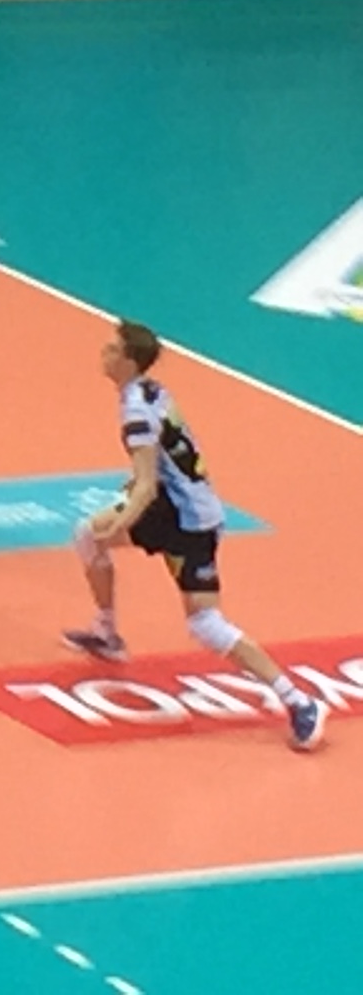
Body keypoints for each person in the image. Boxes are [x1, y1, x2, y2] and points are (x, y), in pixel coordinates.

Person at [63, 320, 324, 753]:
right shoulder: (151, 391)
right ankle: (107, 633)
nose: (103, 354)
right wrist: (129, 502)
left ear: (129, 361)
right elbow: (165, 459)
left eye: (111, 349)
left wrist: (121, 522)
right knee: (87, 536)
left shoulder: (135, 412)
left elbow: (146, 486)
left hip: (189, 520)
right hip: (175, 504)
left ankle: (299, 701)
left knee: (205, 624)